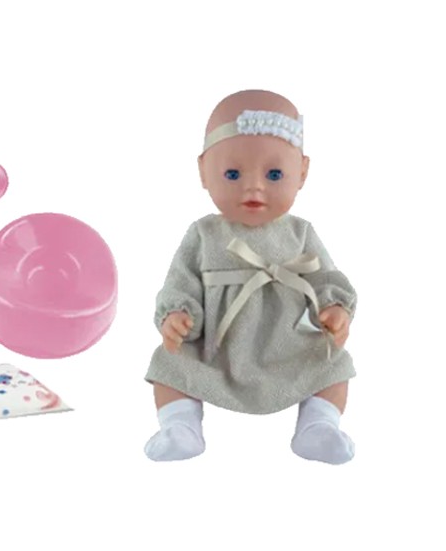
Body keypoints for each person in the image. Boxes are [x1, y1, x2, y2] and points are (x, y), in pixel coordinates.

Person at [144, 89, 357, 465]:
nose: (253, 186)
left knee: (333, 365)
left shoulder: (300, 232)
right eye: (232, 173)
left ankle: (318, 426)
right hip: (216, 348)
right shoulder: (203, 234)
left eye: (274, 174)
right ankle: (181, 427)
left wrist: (335, 307)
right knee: (169, 363)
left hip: (288, 344)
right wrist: (178, 314)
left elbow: (325, 276)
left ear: (302, 172)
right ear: (203, 172)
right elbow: (181, 281)